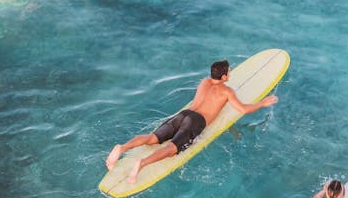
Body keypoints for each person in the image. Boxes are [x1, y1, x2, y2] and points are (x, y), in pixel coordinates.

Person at [105, 60, 278, 184]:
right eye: (229, 72)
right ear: (224, 76)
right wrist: (263, 103)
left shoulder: (204, 82)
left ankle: (122, 147)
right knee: (171, 148)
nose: (231, 73)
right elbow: (244, 109)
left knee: (152, 138)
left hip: (184, 114)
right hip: (196, 121)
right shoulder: (227, 91)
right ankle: (141, 163)